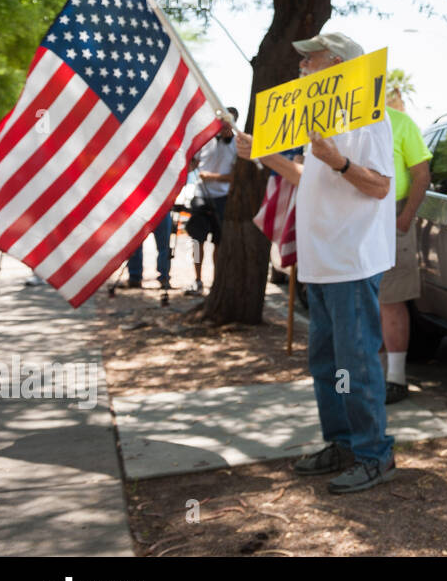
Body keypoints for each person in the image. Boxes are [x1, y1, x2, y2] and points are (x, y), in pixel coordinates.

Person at [234, 33, 396, 494]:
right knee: (326, 362)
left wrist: (340, 161)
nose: (303, 64)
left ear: (340, 65)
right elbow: (310, 176)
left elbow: (381, 186)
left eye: (313, 58)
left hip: (352, 260)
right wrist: (266, 156)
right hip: (320, 260)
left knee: (357, 361)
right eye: (304, 58)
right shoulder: (319, 117)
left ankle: (375, 455)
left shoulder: (371, 115)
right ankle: (343, 443)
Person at [379, 86, 432, 404]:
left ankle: (396, 379)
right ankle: (375, 374)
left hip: (393, 213)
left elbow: (421, 174)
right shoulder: (345, 124)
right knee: (366, 300)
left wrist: (405, 217)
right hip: (356, 218)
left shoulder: (401, 122)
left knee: (391, 299)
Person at [185, 108, 238, 295]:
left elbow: (236, 177)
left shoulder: (237, 146)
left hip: (222, 199)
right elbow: (193, 163)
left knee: (219, 243)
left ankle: (217, 281)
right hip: (201, 195)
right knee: (197, 243)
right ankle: (197, 279)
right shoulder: (205, 141)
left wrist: (213, 177)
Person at [126, 208, 173, 289]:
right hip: (142, 209)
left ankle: (164, 277)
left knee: (164, 247)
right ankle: (134, 277)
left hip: (160, 208)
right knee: (135, 245)